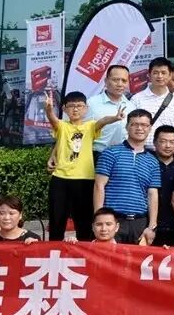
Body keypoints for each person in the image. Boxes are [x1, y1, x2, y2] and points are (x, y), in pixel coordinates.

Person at [43, 90, 122, 241]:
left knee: (84, 222)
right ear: (64, 109)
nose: (75, 109)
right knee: (57, 221)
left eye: (79, 106)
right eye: (71, 106)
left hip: (85, 180)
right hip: (60, 179)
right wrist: (48, 109)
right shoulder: (62, 126)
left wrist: (115, 118)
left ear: (86, 108)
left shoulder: (90, 126)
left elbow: (102, 121)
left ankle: (85, 251)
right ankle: (54, 251)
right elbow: (53, 120)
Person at [68, 208, 132, 315]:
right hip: (87, 303)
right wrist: (68, 246)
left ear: (116, 227)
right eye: (99, 225)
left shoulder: (126, 252)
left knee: (121, 300)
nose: (104, 229)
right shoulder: (82, 249)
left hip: (114, 302)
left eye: (108, 224)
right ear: (92, 227)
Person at [94, 109, 162, 244]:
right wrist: (99, 219)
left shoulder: (153, 161)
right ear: (127, 127)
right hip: (113, 221)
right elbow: (99, 186)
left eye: (144, 125)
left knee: (137, 258)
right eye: (135, 124)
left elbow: (152, 194)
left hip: (139, 223)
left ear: (150, 128)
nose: (139, 128)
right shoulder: (110, 153)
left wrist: (152, 227)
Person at [132, 57, 174, 151]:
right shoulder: (136, 99)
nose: (159, 76)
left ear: (170, 75)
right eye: (155, 73)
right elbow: (131, 127)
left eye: (163, 73)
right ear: (149, 75)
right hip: (143, 151)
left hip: (169, 152)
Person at [88, 64, 135, 156]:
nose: (120, 84)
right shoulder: (92, 103)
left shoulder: (131, 106)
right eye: (115, 80)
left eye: (124, 81)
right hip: (98, 154)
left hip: (123, 156)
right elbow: (81, 131)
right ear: (106, 81)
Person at [152, 125, 174, 246]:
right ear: (154, 143)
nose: (168, 146)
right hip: (150, 225)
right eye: (163, 141)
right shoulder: (147, 164)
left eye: (172, 142)